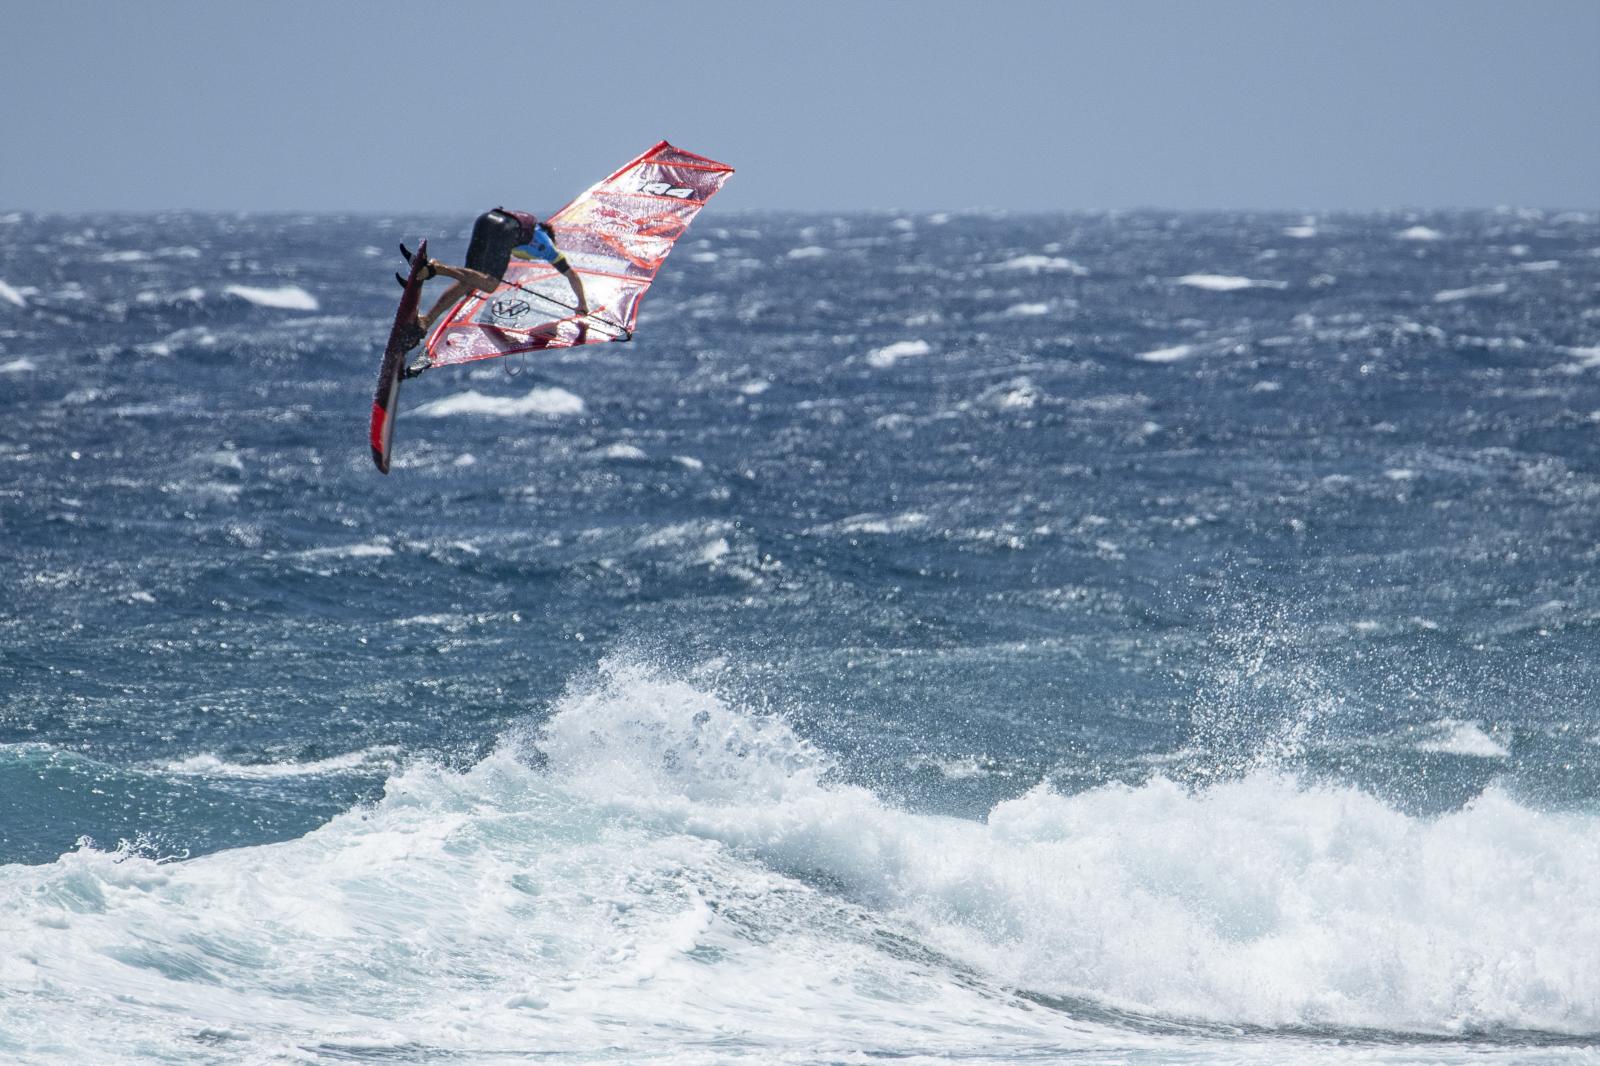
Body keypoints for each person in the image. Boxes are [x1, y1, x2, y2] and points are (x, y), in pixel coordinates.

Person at [398, 208, 589, 372]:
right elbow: (572, 275)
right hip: (504, 229)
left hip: (485, 221)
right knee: (490, 285)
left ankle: (425, 321)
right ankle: (436, 268)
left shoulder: (532, 231)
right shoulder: (546, 246)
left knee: (467, 281)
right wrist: (582, 304)